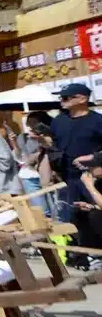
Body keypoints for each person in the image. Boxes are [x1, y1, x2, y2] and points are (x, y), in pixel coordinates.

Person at [50, 83, 102, 219]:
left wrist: (91, 157)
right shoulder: (59, 121)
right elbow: (55, 146)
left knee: (95, 216)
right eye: (61, 98)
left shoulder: (98, 121)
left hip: (92, 178)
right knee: (71, 219)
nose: (62, 101)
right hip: (66, 178)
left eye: (66, 98)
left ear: (82, 99)